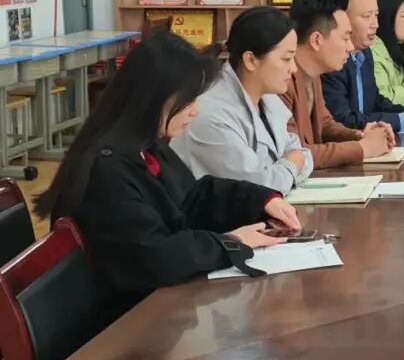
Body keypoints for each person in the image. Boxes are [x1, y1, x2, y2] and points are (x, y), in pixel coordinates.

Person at [33, 31, 299, 313]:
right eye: (189, 100)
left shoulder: (145, 145)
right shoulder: (107, 170)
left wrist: (261, 200)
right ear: (154, 98)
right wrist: (231, 243)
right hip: (126, 322)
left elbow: (192, 197)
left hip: (157, 305)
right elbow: (154, 255)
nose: (195, 111)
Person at [172, 6, 313, 195]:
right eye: (286, 59)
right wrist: (290, 165)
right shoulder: (210, 114)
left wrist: (287, 167)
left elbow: (302, 153)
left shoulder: (267, 98)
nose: (294, 69)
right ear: (250, 60)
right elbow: (261, 186)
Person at [283, 0, 393, 168]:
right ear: (316, 40)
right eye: (345, 38)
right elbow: (295, 155)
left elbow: (325, 125)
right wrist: (362, 148)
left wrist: (359, 135)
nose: (350, 47)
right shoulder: (281, 81)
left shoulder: (313, 74)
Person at [322, 0, 404, 133]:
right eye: (366, 16)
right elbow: (343, 120)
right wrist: (401, 120)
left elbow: (375, 101)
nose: (375, 24)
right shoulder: (332, 62)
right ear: (342, 20)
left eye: (376, 15)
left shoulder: (365, 52)